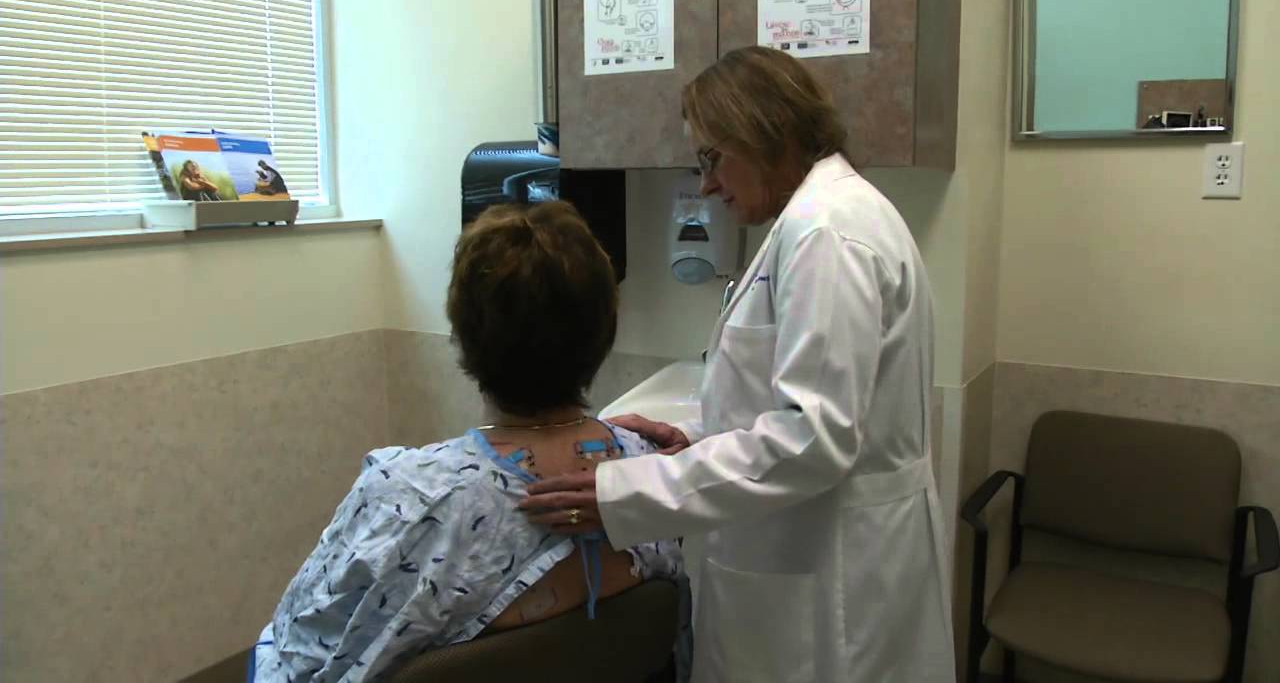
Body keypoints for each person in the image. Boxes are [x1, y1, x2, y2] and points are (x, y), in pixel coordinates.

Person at [521, 46, 955, 682]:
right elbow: (805, 406)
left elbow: (815, 438)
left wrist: (632, 493)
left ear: (764, 134)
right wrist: (698, 435)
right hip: (819, 552)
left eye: (711, 157)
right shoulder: (816, 220)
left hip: (829, 580)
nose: (705, 184)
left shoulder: (827, 233)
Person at [251, 202, 682, 681]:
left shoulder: (410, 495)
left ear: (463, 331)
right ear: (604, 330)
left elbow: (295, 656)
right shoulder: (653, 474)